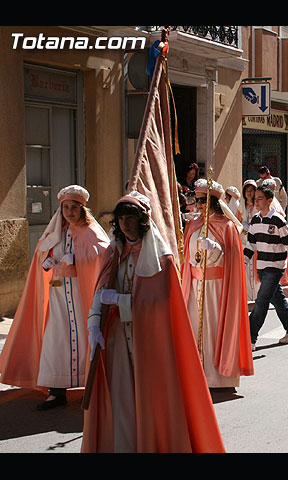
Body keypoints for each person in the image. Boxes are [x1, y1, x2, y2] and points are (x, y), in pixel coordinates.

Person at [81, 191, 225, 452]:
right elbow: (99, 292)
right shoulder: (114, 253)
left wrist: (121, 301)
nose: (125, 224)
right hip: (116, 338)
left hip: (149, 343)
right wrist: (93, 325)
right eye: (121, 219)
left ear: (143, 221)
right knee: (122, 397)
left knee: (149, 399)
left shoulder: (163, 260)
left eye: (131, 218)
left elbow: (159, 308)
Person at [0, 186, 109, 411]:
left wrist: (77, 258)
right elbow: (43, 251)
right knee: (55, 340)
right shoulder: (56, 231)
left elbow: (103, 254)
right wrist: (46, 260)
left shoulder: (91, 231)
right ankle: (56, 391)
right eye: (66, 207)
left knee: (82, 338)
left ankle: (89, 385)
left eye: (74, 208)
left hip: (81, 295)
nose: (69, 212)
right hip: (58, 295)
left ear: (82, 209)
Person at [181, 179, 253, 391]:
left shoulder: (227, 225)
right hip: (195, 284)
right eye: (197, 200)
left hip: (217, 287)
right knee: (195, 327)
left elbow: (231, 258)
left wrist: (215, 250)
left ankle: (216, 377)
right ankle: (198, 373)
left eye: (203, 200)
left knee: (213, 329)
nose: (199, 204)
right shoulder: (194, 224)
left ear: (213, 201)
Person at [244, 185, 288, 349]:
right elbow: (250, 245)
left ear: (270, 200)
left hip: (275, 267)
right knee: (277, 299)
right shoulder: (255, 220)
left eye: (260, 199)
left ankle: (249, 338)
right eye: (255, 198)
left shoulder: (278, 220)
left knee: (261, 301)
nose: (256, 201)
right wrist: (242, 263)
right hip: (262, 267)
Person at [240, 179, 259, 301]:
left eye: (251, 190)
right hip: (245, 241)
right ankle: (247, 295)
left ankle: (257, 295)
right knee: (246, 268)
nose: (249, 193)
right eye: (247, 191)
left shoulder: (258, 206)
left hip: (257, 241)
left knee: (257, 268)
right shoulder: (241, 207)